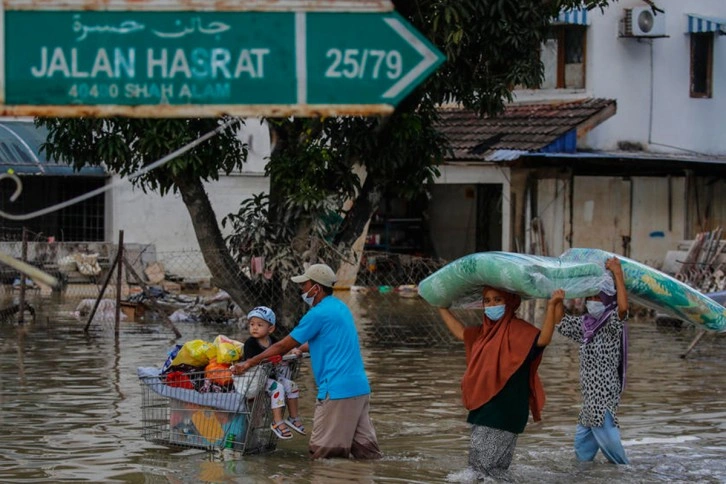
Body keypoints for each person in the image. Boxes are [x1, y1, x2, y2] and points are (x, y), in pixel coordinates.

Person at [232, 263, 382, 460]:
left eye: (305, 285)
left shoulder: (317, 314)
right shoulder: (340, 308)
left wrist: (249, 363)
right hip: (359, 389)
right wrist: (300, 349)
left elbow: (281, 346)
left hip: (336, 391)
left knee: (322, 456)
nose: (301, 289)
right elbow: (326, 341)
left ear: (316, 288)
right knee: (367, 456)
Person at [437, 285, 559, 479]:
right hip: (483, 408)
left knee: (489, 470)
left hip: (506, 409)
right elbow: (461, 333)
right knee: (478, 468)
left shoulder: (521, 331)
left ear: (509, 302)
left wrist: (552, 306)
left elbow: (543, 339)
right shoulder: (483, 333)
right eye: (487, 301)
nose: (492, 305)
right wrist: (442, 308)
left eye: (497, 300)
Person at [554, 256, 630, 465]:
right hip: (589, 401)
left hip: (603, 398)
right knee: (582, 453)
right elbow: (560, 323)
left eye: (598, 297)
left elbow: (623, 310)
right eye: (590, 298)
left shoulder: (611, 323)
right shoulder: (585, 325)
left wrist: (618, 273)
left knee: (614, 451)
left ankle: (628, 475)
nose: (593, 302)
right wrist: (558, 300)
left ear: (607, 299)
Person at [243, 306, 305, 440]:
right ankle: (277, 422)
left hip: (270, 378)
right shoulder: (250, 343)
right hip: (256, 380)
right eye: (252, 324)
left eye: (260, 325)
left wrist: (293, 351)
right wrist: (270, 360)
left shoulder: (274, 342)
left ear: (270, 329)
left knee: (291, 386)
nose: (254, 328)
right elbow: (251, 361)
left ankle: (293, 417)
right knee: (278, 388)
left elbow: (283, 350)